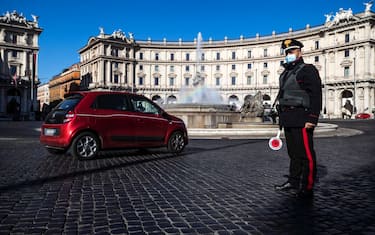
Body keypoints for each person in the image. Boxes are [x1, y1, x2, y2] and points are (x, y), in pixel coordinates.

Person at [274, 38, 322, 199]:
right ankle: (293, 181)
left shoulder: (307, 70)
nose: (289, 54)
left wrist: (312, 118)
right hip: (288, 118)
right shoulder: (286, 72)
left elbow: (316, 95)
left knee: (306, 154)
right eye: (287, 52)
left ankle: (307, 187)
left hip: (302, 117)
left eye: (292, 51)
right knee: (293, 153)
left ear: (299, 52)